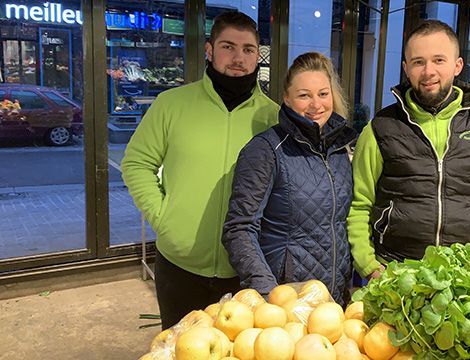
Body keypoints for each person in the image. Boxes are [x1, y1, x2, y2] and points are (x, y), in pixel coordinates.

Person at [121, 11, 279, 329]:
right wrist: (165, 219)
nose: (238, 57)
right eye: (228, 46)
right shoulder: (171, 105)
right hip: (179, 268)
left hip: (245, 272)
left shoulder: (273, 117)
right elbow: (136, 163)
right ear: (209, 50)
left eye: (248, 49)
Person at [347, 20, 470, 280]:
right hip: (394, 274)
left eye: (439, 60)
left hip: (461, 279)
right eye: (418, 62)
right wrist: (368, 265)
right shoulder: (379, 129)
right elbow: (358, 204)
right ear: (406, 68)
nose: (428, 71)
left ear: (457, 65)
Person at [221, 52, 357, 306]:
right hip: (285, 299)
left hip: (334, 297)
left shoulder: (339, 150)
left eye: (323, 94)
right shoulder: (266, 149)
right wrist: (268, 292)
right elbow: (239, 229)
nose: (316, 104)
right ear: (287, 99)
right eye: (304, 95)